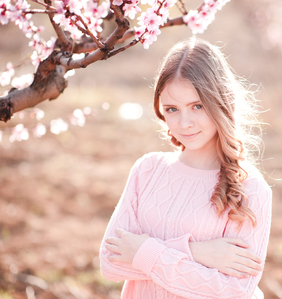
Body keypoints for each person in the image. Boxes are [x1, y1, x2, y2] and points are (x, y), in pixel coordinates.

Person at [99, 37, 272, 299]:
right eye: (172, 109)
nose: (184, 123)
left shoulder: (250, 188)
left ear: (220, 102)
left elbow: (234, 290)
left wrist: (143, 252)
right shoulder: (148, 170)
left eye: (197, 106)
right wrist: (197, 252)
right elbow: (111, 261)